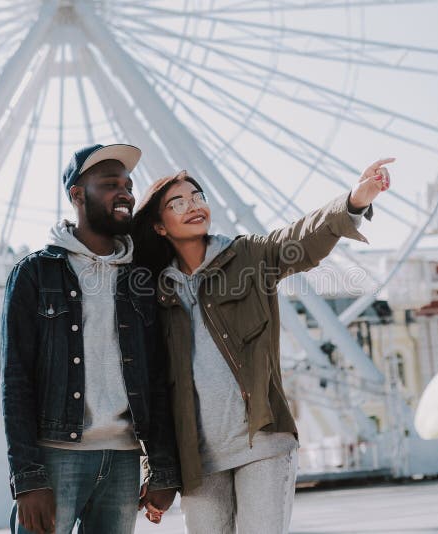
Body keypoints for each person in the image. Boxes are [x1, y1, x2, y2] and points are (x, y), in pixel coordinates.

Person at [131, 158, 393, 533]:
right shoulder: (154, 293)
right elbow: (149, 387)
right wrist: (153, 471)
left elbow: (300, 240)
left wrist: (352, 202)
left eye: (197, 196)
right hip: (197, 458)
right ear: (158, 226)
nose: (193, 205)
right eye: (177, 203)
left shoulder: (249, 257)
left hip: (263, 443)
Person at [0, 143, 180, 534]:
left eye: (129, 185)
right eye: (111, 184)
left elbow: (155, 379)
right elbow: (16, 381)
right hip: (55, 456)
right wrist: (28, 478)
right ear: (77, 195)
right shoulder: (35, 274)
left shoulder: (140, 280)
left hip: (123, 459)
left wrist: (162, 469)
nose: (127, 193)